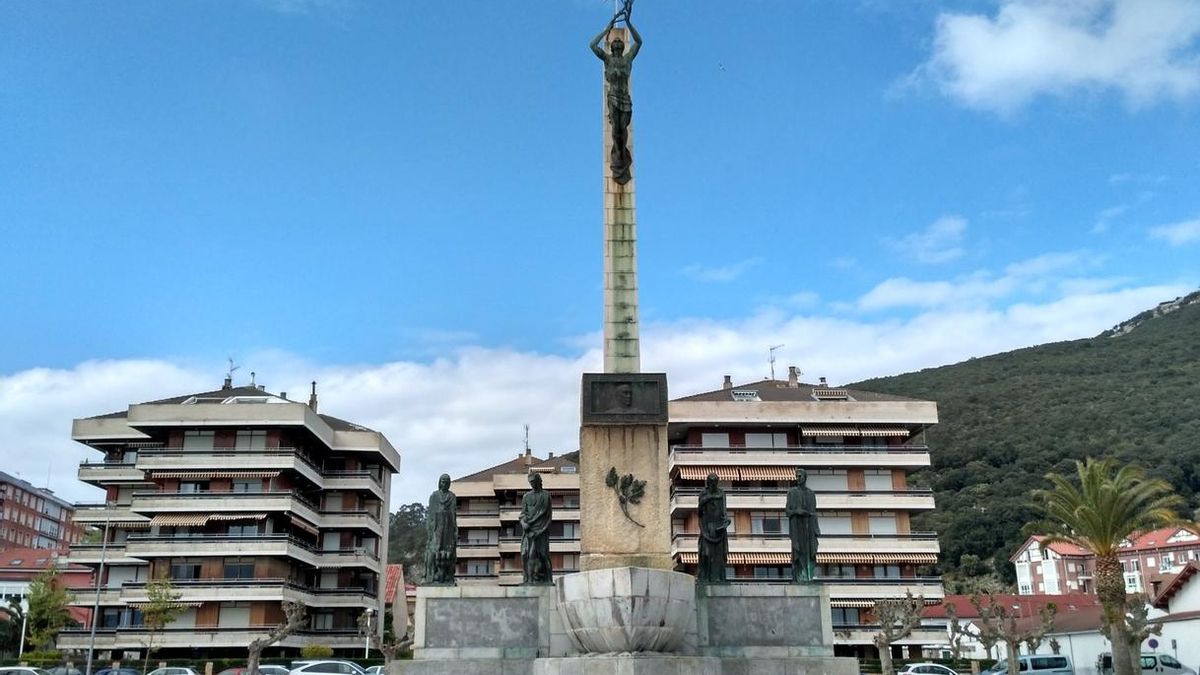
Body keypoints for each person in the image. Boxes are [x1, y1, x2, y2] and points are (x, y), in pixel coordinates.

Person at [589, 9, 642, 185]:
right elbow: (592, 45)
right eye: (615, 43)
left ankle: (621, 153)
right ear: (612, 47)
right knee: (617, 130)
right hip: (613, 98)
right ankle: (618, 153)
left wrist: (628, 22)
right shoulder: (608, 60)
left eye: (620, 43)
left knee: (622, 130)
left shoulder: (628, 59)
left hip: (625, 100)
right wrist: (607, 30)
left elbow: (639, 42)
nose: (618, 43)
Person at [785, 467, 820, 583]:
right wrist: (797, 511)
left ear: (805, 477)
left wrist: (815, 529)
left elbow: (814, 512)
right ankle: (800, 575)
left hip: (809, 526)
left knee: (810, 550)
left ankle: (808, 575)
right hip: (797, 526)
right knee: (798, 550)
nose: (798, 478)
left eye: (800, 476)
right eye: (796, 476)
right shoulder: (791, 492)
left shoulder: (811, 494)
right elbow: (787, 511)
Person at [423, 473, 457, 585]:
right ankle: (431, 575)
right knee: (433, 551)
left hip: (448, 528)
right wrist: (430, 531)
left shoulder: (452, 497)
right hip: (436, 528)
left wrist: (455, 531)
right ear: (439, 482)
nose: (445, 483)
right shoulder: (434, 496)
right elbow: (430, 516)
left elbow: (453, 514)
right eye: (443, 481)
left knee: (448, 552)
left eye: (447, 481)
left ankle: (447, 575)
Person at [697, 472, 731, 584]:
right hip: (707, 527)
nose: (713, 484)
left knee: (719, 555)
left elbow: (724, 511)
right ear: (708, 482)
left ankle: (718, 578)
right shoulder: (703, 494)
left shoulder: (722, 493)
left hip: (719, 528)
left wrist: (726, 520)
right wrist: (709, 498)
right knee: (706, 554)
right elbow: (699, 511)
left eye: (714, 482)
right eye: (710, 482)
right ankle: (705, 577)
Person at [520, 472, 553, 584]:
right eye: (530, 483)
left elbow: (548, 517)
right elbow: (523, 514)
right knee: (524, 554)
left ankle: (548, 579)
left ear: (539, 481)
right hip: (528, 530)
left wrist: (541, 531)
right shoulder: (526, 496)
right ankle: (527, 579)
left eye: (534, 482)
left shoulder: (546, 495)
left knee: (543, 554)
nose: (532, 484)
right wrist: (523, 523)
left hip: (541, 530)